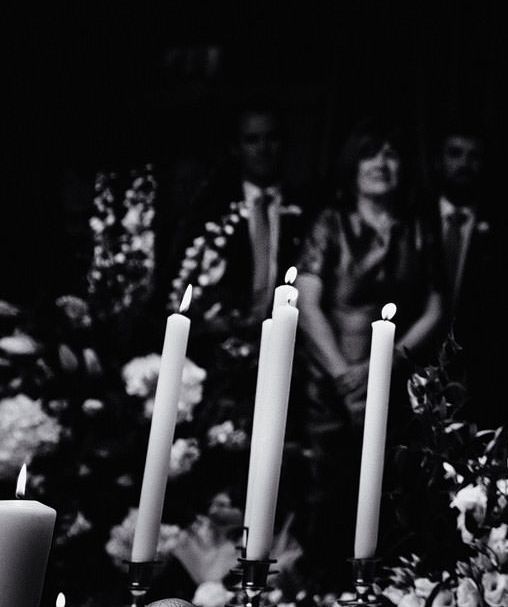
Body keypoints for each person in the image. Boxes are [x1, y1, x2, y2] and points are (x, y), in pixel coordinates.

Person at [291, 119, 447, 580]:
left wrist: (387, 364)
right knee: (330, 497)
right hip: (332, 386)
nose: (382, 164)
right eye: (370, 153)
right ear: (352, 165)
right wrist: (347, 377)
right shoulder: (330, 222)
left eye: (391, 154)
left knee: (391, 497)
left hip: (396, 380)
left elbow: (438, 306)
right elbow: (308, 303)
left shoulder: (419, 226)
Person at [411, 120, 508, 426]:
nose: (464, 164)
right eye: (455, 154)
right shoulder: (412, 217)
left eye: (473, 156)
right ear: (438, 160)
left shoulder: (506, 228)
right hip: (409, 361)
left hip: (475, 377)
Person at [163, 101, 314, 331]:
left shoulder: (306, 210)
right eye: (252, 140)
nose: (263, 148)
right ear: (236, 147)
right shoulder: (211, 209)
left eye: (271, 137)